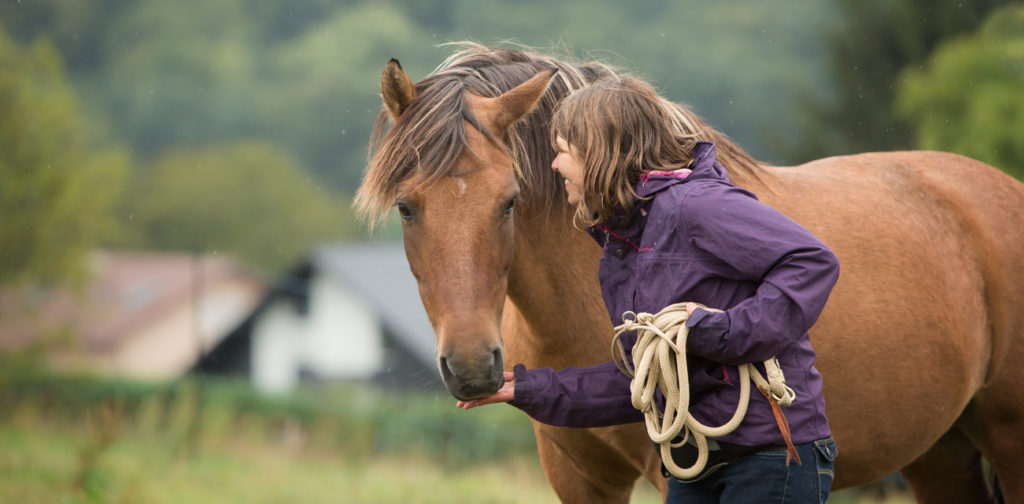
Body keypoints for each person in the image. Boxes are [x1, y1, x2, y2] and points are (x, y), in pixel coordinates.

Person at [457, 76, 840, 503]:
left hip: (768, 456)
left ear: (598, 151)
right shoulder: (624, 246)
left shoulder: (698, 206)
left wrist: (717, 333)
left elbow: (812, 261)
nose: (554, 166)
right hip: (696, 459)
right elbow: (645, 379)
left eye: (562, 150)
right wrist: (528, 389)